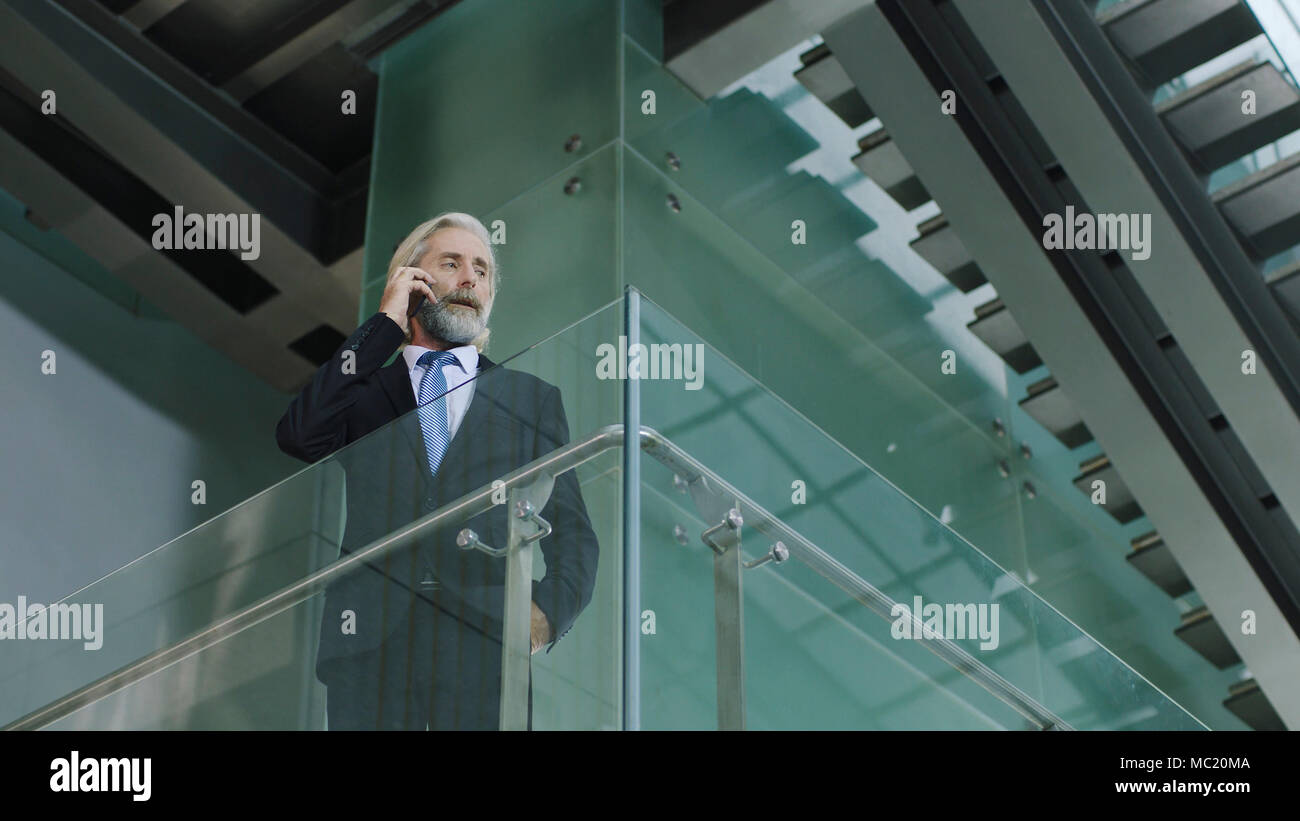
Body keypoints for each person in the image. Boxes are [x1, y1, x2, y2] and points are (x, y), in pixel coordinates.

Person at [275, 212, 599, 730]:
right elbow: (299, 434)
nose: (471, 278)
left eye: (483, 270)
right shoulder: (364, 393)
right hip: (370, 646)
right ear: (412, 279)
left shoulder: (530, 400)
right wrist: (384, 325)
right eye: (451, 263)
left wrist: (543, 616)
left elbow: (575, 533)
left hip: (484, 641)